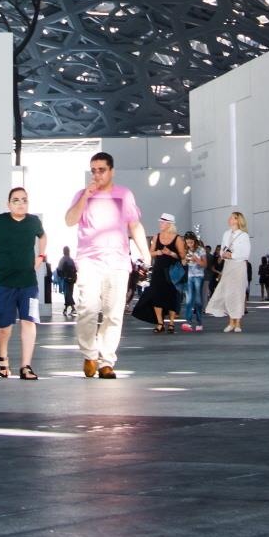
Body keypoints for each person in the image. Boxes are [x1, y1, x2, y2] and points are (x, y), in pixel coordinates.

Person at [63, 150, 148, 379]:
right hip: (90, 261)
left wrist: (145, 253)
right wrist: (85, 197)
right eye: (93, 171)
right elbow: (70, 220)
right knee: (87, 310)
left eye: (101, 170)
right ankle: (90, 354)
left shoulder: (124, 194)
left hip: (118, 261)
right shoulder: (82, 194)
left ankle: (106, 361)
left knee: (113, 313)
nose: (97, 175)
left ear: (111, 171)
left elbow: (134, 225)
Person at [0, 186, 47, 380]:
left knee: (29, 321)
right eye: (16, 200)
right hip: (4, 283)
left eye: (24, 200)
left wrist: (41, 256)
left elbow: (43, 236)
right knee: (4, 327)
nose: (20, 203)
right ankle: (2, 355)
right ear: (8, 204)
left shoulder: (34, 222)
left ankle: (26, 366)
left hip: (28, 283)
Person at [136, 212, 184, 335]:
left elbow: (182, 257)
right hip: (158, 270)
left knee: (172, 295)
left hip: (172, 271)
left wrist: (171, 254)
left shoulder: (177, 238)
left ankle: (172, 323)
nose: (160, 224)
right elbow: (149, 253)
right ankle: (160, 323)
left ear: (169, 224)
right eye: (161, 222)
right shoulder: (156, 237)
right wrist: (158, 252)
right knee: (157, 295)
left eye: (163, 222)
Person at [206, 210, 251, 334]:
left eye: (233, 217)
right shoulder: (226, 234)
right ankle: (231, 321)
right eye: (230, 217)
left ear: (238, 220)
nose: (230, 219)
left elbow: (246, 253)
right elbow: (222, 249)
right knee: (227, 293)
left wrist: (233, 255)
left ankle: (238, 323)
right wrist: (224, 254)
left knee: (238, 293)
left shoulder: (244, 235)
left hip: (239, 266)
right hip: (228, 266)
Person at [180, 232, 206, 333]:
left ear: (194, 241)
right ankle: (188, 322)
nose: (190, 244)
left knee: (198, 300)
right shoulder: (186, 250)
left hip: (199, 276)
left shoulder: (201, 250)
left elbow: (205, 264)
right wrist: (185, 260)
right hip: (189, 276)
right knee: (189, 300)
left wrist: (197, 260)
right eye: (188, 242)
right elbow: (182, 263)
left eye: (191, 242)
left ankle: (199, 322)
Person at [55, 247, 77, 318]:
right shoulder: (71, 260)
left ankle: (73, 309)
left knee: (67, 294)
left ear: (63, 251)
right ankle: (66, 309)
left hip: (65, 279)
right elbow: (75, 269)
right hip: (72, 280)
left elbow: (59, 269)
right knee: (69, 294)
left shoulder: (63, 259)